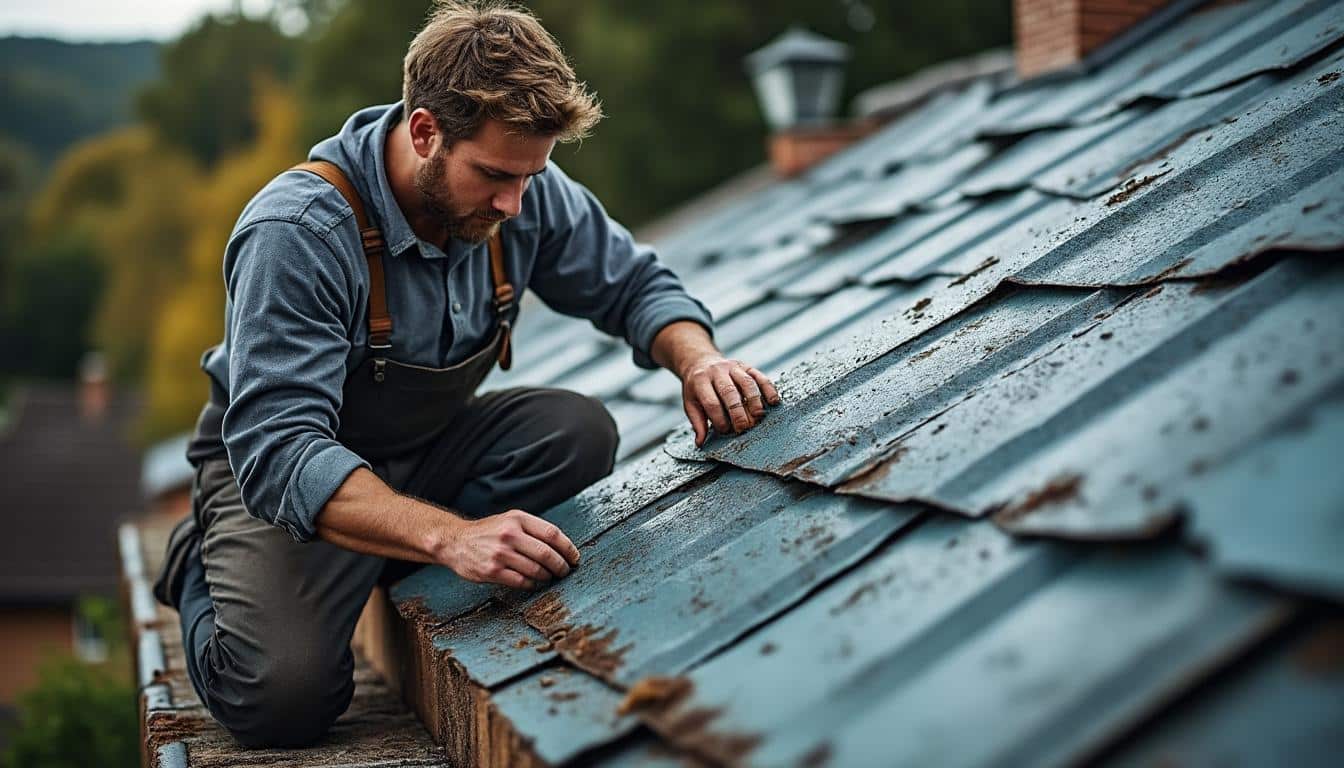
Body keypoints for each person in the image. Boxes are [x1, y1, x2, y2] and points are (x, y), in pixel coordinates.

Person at [151, 0, 779, 749]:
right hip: (283, 480)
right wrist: (451, 540)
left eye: (530, 176)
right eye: (493, 176)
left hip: (422, 451)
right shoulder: (300, 232)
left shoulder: (521, 191)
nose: (515, 204)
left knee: (575, 431)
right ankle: (205, 567)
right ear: (424, 133)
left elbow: (634, 285)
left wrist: (697, 358)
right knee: (280, 696)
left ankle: (386, 568)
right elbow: (281, 449)